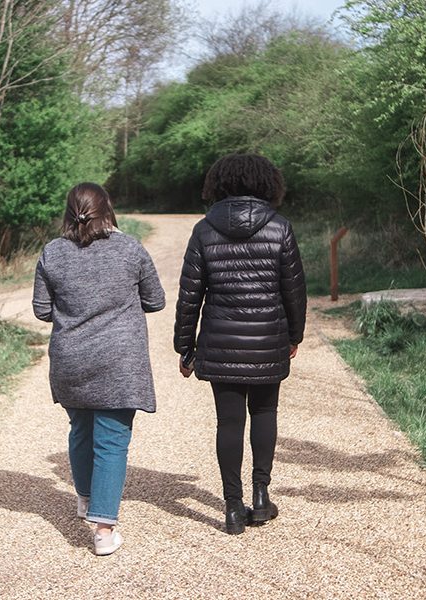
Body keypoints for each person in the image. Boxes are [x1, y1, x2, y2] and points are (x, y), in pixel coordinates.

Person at [173, 154, 307, 535]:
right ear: (268, 184)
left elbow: (189, 295)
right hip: (268, 340)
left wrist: (185, 347)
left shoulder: (204, 230)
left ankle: (233, 507)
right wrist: (294, 336)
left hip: (221, 341)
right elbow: (294, 291)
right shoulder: (280, 228)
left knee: (228, 422)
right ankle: (261, 498)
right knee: (265, 413)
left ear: (219, 184)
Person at [33, 182, 165, 555]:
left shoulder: (52, 252)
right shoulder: (130, 249)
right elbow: (155, 300)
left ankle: (85, 497)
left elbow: (42, 310)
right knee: (111, 442)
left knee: (81, 429)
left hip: (70, 359)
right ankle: (103, 531)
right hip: (119, 361)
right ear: (108, 210)